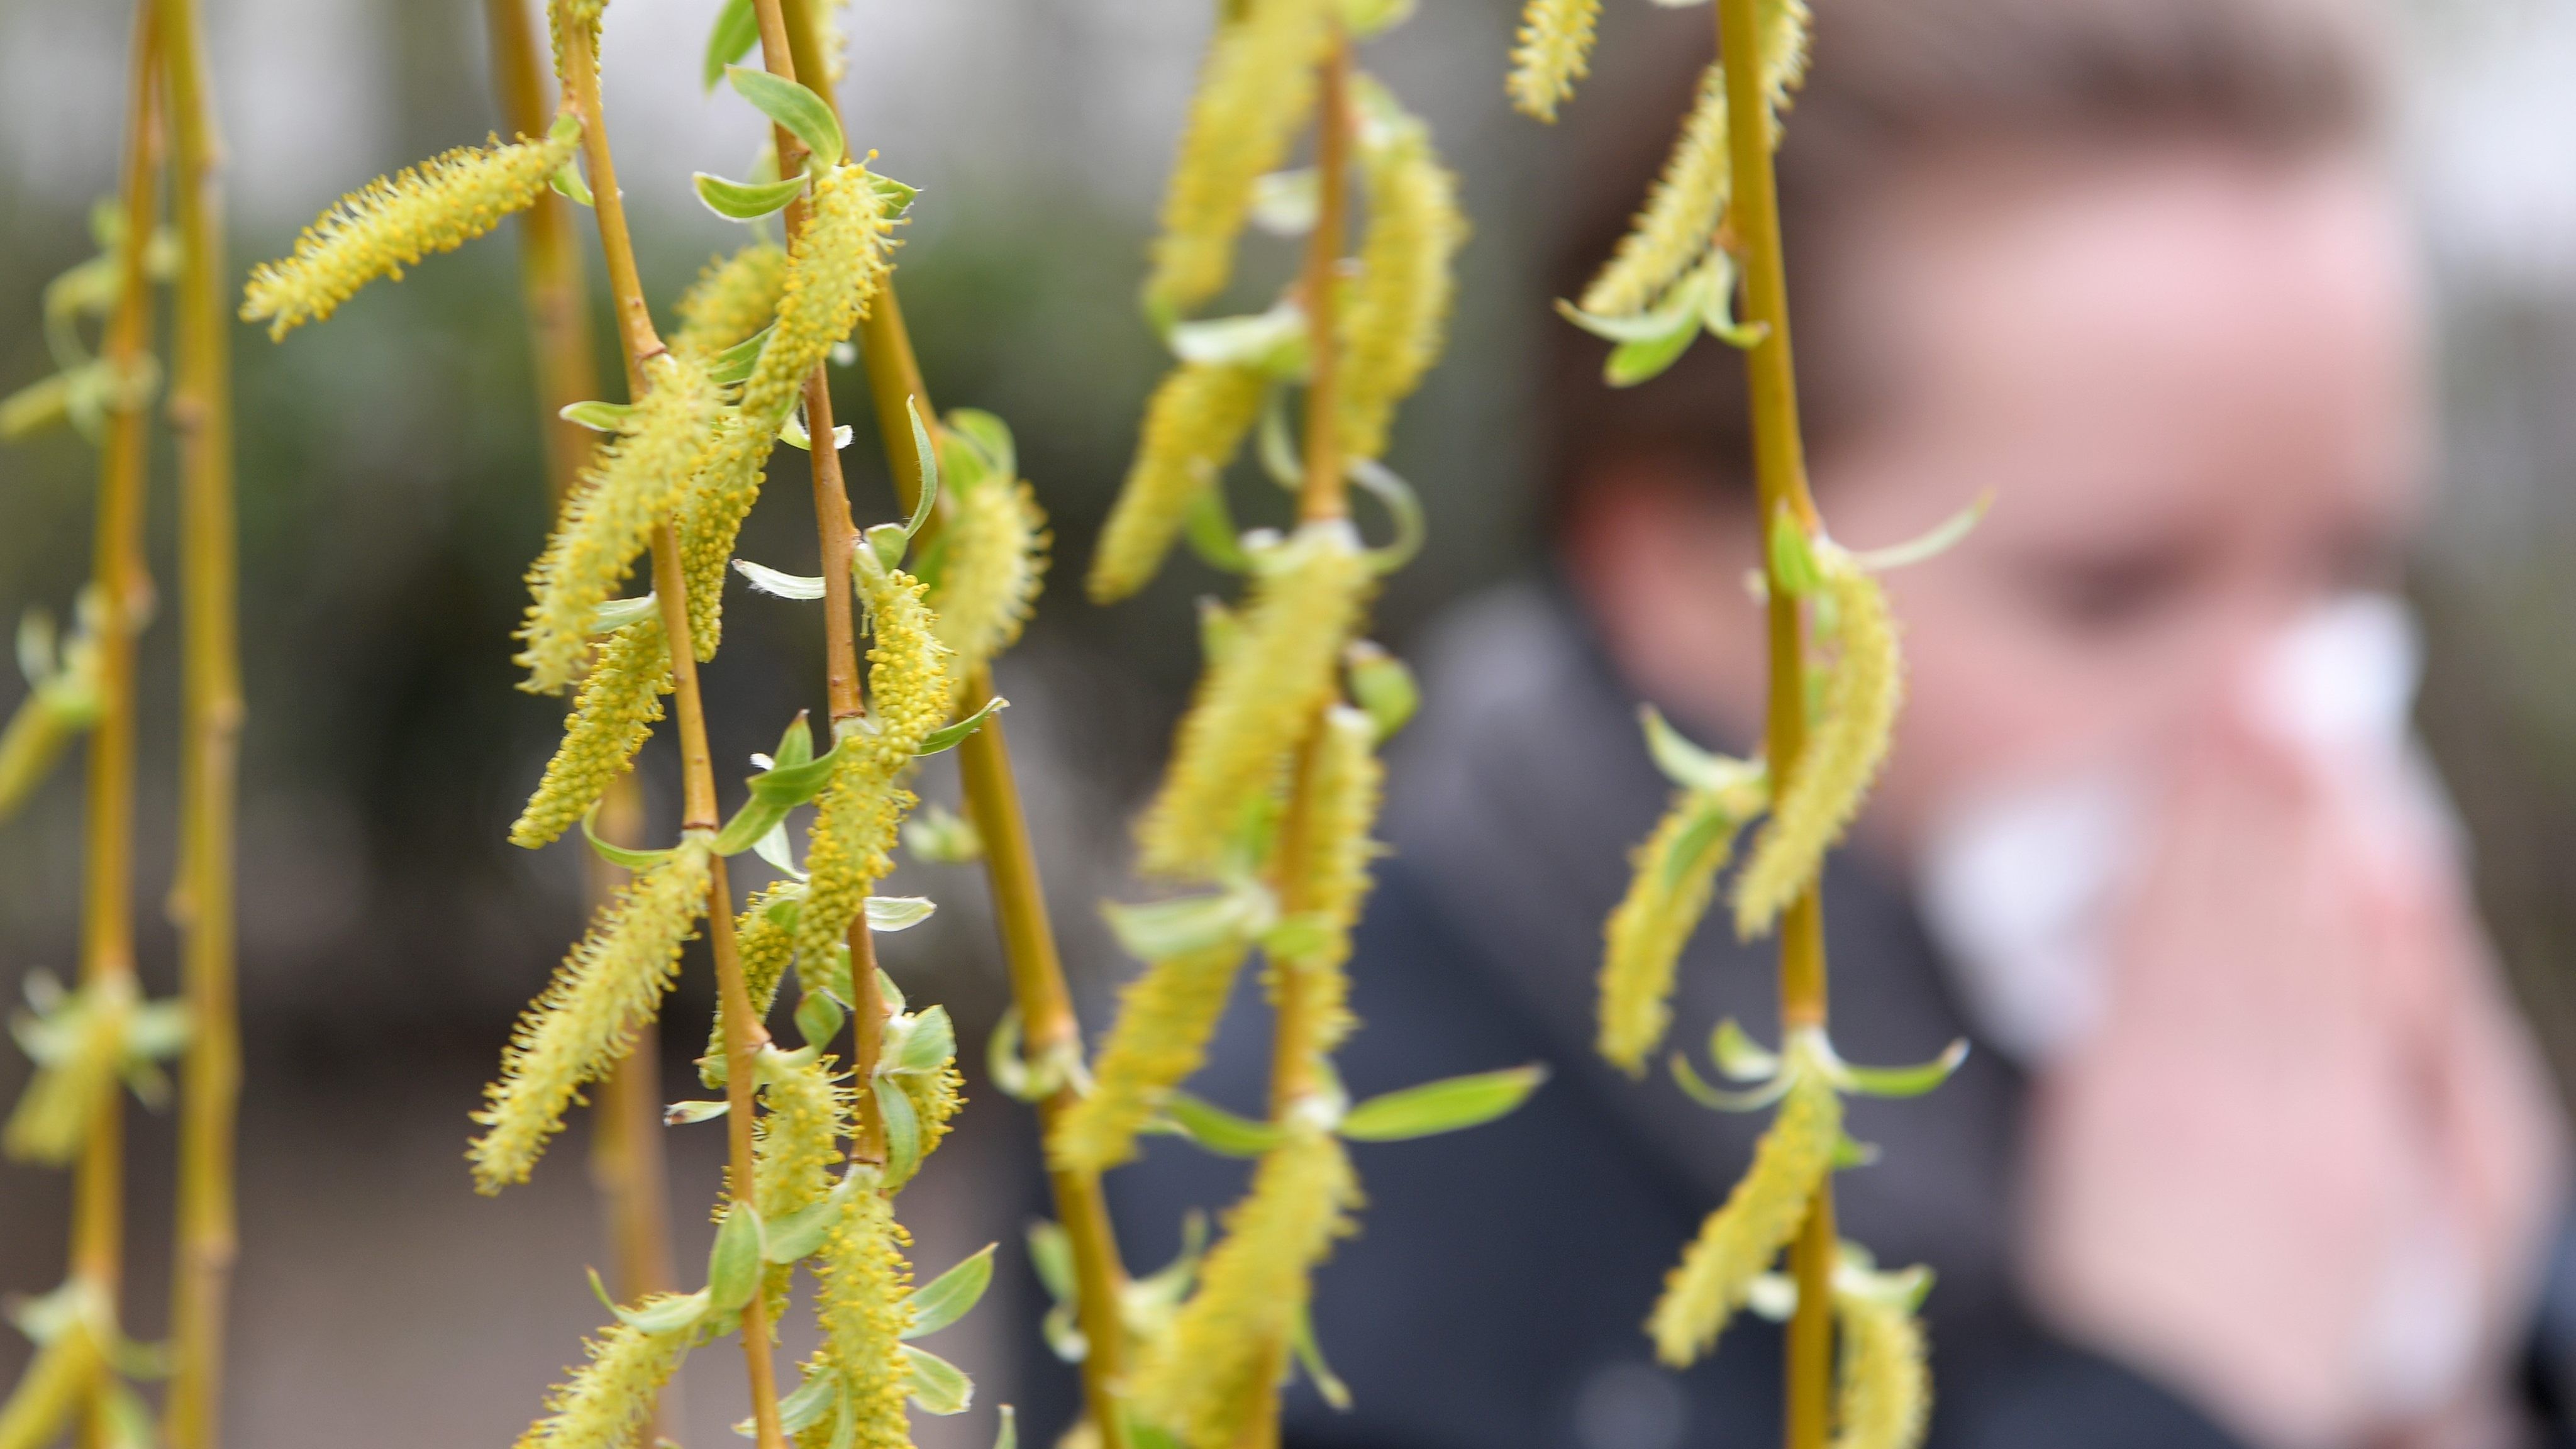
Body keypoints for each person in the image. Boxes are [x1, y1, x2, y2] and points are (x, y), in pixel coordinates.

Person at [1099, 0, 2576, 1445]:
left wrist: (2495, 1330)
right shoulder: (1275, 1211)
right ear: (1685, 566)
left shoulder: (2366, 1100)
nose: (2277, 721)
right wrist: (2170, 1390)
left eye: (2345, 571)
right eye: (2110, 592)